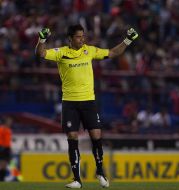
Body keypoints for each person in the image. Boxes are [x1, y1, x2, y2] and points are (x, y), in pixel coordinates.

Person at [35, 24, 138, 188]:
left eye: (83, 36)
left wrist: (128, 40)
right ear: (70, 38)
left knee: (96, 136)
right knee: (72, 138)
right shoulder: (61, 52)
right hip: (69, 103)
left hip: (89, 101)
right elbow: (41, 53)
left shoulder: (89, 50)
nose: (82, 39)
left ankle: (100, 172)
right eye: (78, 37)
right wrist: (42, 39)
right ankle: (77, 179)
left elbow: (112, 52)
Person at [0, 117, 12, 181]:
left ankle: (2, 179)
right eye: (9, 121)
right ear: (5, 122)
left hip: (7, 148)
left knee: (4, 164)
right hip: (2, 148)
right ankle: (1, 179)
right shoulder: (1, 129)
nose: (10, 123)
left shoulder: (8, 130)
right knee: (2, 164)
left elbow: (8, 140)